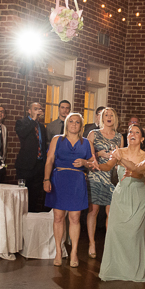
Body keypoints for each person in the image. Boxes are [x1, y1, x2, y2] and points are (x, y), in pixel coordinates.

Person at [95, 124, 145, 283]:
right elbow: (108, 166)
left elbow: (141, 175)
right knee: (115, 231)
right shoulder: (119, 152)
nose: (132, 134)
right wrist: (95, 165)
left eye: (136, 132)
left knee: (134, 234)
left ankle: (133, 271)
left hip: (138, 196)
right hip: (120, 196)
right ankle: (114, 269)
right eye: (129, 132)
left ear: (142, 138)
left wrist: (126, 164)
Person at [44, 112, 92, 267]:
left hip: (77, 181)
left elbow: (93, 163)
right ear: (66, 124)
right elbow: (49, 160)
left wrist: (85, 162)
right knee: (58, 217)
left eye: (77, 122)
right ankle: (58, 251)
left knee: (75, 218)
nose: (74, 124)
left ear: (81, 125)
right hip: (59, 180)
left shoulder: (86, 143)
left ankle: (74, 252)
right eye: (71, 121)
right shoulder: (57, 139)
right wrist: (46, 179)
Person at [86, 107, 122, 258]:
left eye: (111, 115)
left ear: (115, 118)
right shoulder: (93, 134)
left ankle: (109, 243)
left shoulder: (119, 136)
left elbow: (120, 157)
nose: (109, 117)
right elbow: (87, 154)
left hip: (111, 177)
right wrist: (98, 154)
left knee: (110, 212)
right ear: (101, 117)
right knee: (93, 210)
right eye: (106, 115)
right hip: (95, 174)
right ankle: (92, 243)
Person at [16, 102, 49, 213]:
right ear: (29, 111)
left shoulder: (41, 127)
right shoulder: (21, 122)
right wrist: (33, 120)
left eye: (40, 109)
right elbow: (22, 134)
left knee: (35, 196)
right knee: (23, 195)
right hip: (26, 166)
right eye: (35, 109)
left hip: (39, 165)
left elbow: (43, 145)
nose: (38, 111)